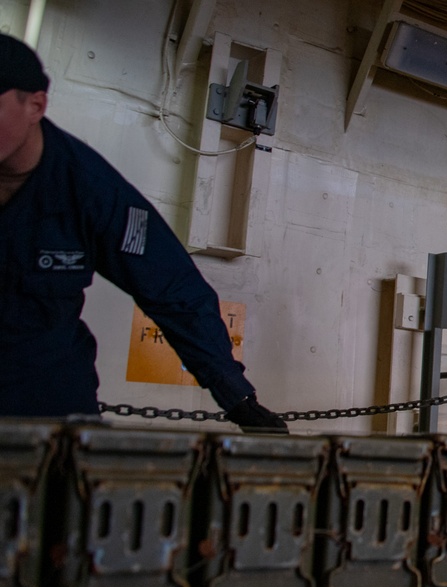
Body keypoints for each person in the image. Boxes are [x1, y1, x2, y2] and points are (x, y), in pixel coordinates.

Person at [0, 34, 286, 433]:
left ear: (35, 106)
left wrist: (236, 396)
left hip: (47, 408)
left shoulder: (89, 190)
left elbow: (172, 288)